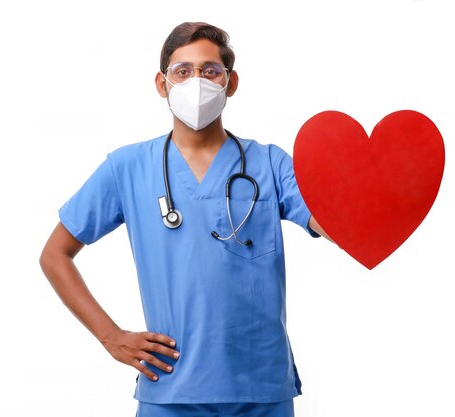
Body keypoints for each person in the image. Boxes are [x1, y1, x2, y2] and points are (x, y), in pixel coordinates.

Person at [40, 21, 331, 417]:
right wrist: (111, 337)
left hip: (261, 388)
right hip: (171, 387)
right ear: (163, 84)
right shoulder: (127, 168)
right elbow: (55, 254)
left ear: (231, 83)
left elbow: (328, 221)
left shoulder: (269, 163)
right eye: (183, 71)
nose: (198, 81)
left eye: (211, 71)